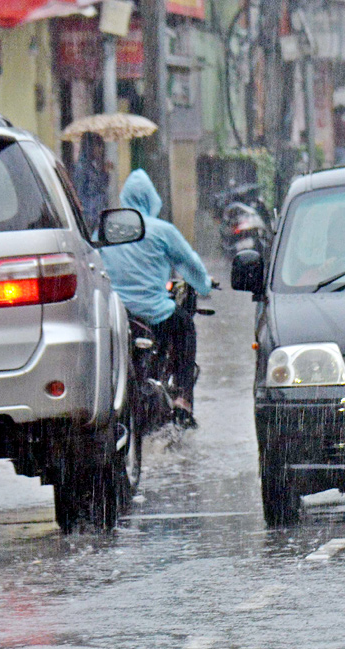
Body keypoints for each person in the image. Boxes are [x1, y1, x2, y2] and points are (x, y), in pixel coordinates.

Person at [99, 169, 212, 428]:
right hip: (155, 314)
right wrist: (204, 285)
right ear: (152, 199)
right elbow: (189, 263)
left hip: (119, 316)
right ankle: (183, 399)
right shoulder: (162, 231)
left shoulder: (109, 229)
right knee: (185, 327)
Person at [72, 133, 109, 229]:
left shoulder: (94, 166)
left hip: (98, 215)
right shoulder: (82, 168)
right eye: (98, 146)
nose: (100, 150)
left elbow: (103, 188)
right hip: (89, 217)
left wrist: (104, 172)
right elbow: (80, 194)